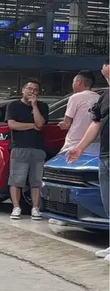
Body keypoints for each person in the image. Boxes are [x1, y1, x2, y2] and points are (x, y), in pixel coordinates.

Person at [66, 62, 109, 261]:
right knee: (108, 201)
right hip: (105, 154)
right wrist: (80, 147)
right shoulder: (105, 96)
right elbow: (95, 124)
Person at [49, 71, 101, 225]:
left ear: (78, 82)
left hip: (74, 144)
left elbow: (67, 123)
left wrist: (61, 125)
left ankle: (61, 215)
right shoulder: (99, 97)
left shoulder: (75, 97)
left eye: (73, 82)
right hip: (93, 144)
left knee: (62, 179)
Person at [5, 80, 50, 220]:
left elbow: (40, 124)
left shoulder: (42, 106)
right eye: (29, 88)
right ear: (23, 90)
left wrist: (34, 106)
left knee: (36, 180)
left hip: (38, 148)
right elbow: (12, 124)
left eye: (35, 90)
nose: (32, 92)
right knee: (16, 179)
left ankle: (35, 208)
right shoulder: (13, 105)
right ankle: (16, 207)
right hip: (19, 147)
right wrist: (31, 126)